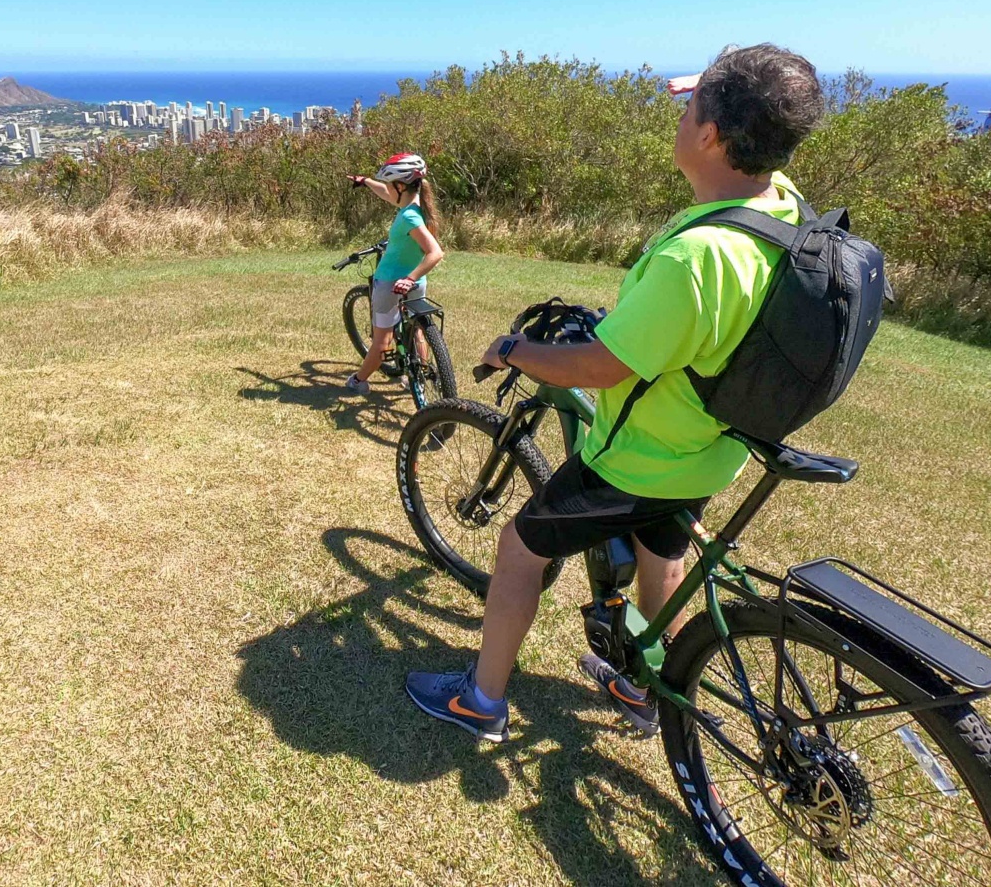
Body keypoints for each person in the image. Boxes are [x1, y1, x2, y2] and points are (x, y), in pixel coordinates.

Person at [405, 44, 826, 742]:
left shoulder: (697, 258)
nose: (682, 116)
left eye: (693, 109)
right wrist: (726, 91)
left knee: (518, 550)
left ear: (711, 135)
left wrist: (513, 349)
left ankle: (480, 702)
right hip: (712, 444)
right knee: (663, 555)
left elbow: (601, 369)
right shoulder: (779, 207)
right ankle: (640, 687)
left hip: (643, 457)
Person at [344, 153, 444, 395]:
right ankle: (417, 375)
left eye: (390, 185)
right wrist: (366, 181)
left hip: (390, 283)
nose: (388, 190)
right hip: (417, 283)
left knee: (381, 341)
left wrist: (406, 279)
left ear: (400, 186)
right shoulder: (418, 205)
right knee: (417, 330)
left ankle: (358, 381)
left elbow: (436, 253)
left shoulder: (408, 216)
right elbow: (387, 195)